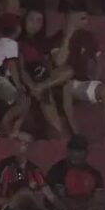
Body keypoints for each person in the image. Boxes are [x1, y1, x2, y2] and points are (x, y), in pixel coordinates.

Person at [52, 8, 105, 143]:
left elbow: (99, 61)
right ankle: (77, 135)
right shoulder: (58, 38)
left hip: (83, 82)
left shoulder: (88, 37)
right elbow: (59, 62)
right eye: (82, 19)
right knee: (67, 87)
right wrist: (67, 37)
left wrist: (95, 79)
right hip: (64, 82)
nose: (86, 22)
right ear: (70, 20)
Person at [17, 9, 70, 138]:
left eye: (39, 21)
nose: (34, 24)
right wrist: (32, 86)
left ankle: (43, 88)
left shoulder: (42, 42)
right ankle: (60, 134)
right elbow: (21, 70)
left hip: (47, 80)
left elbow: (53, 62)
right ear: (24, 20)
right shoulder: (18, 42)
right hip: (31, 79)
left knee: (68, 71)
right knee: (46, 95)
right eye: (31, 19)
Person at [0, 16, 31, 135]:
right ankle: (3, 127)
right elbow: (12, 65)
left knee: (27, 101)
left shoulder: (2, 41)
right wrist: (18, 86)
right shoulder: (9, 42)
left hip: (0, 79)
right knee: (22, 101)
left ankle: (14, 130)